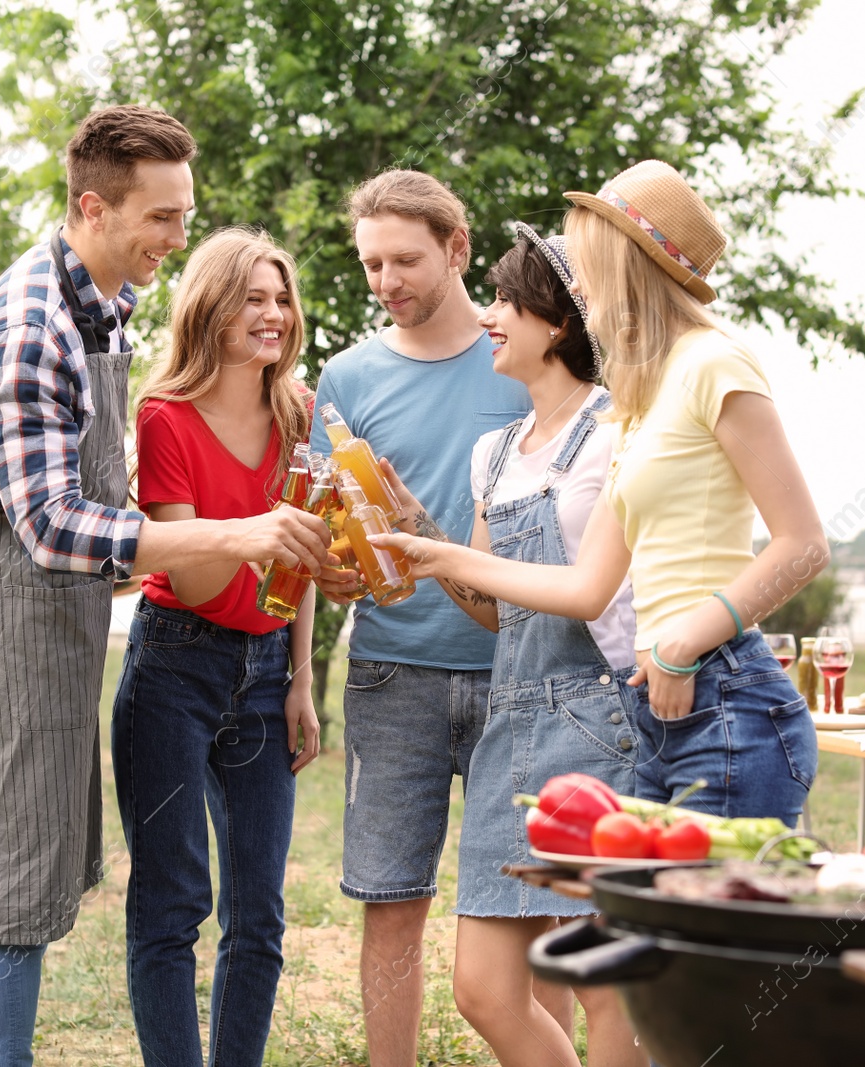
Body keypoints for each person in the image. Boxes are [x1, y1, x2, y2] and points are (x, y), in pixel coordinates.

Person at [0, 107, 330, 1067]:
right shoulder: (32, 326)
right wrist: (241, 530)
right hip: (6, 602)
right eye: (161, 220)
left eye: (185, 216)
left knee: (33, 873)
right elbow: (53, 521)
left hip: (57, 611)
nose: (178, 241)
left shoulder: (102, 304)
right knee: (14, 882)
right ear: (93, 208)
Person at [375, 159, 824, 827]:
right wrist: (437, 555)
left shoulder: (714, 360)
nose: (576, 282)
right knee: (643, 924)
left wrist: (681, 643)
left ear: (625, 266)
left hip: (726, 698)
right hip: (655, 709)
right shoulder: (638, 400)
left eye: (585, 264)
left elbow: (802, 544)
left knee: (708, 929)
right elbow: (586, 587)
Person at [379, 226, 642, 1065]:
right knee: (485, 987)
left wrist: (445, 551)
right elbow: (495, 608)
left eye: (503, 299)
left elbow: (586, 590)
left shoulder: (617, 434)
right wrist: (412, 528)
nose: (488, 316)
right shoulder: (492, 456)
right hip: (511, 720)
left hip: (599, 720)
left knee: (606, 983)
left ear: (558, 322)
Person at [307, 169, 530, 1066]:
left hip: (519, 672)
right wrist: (335, 571)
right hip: (391, 675)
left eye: (404, 259)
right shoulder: (348, 376)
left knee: (531, 904)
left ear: (457, 249)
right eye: (371, 265)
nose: (385, 281)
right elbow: (334, 535)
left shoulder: (523, 356)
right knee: (391, 903)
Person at [110, 226, 322, 1066]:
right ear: (212, 309)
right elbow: (193, 578)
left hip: (270, 671)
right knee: (172, 901)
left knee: (259, 913)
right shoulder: (164, 416)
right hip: (175, 665)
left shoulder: (298, 412)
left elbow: (301, 557)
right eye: (253, 299)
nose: (272, 314)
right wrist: (259, 532)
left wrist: (301, 679)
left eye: (281, 298)